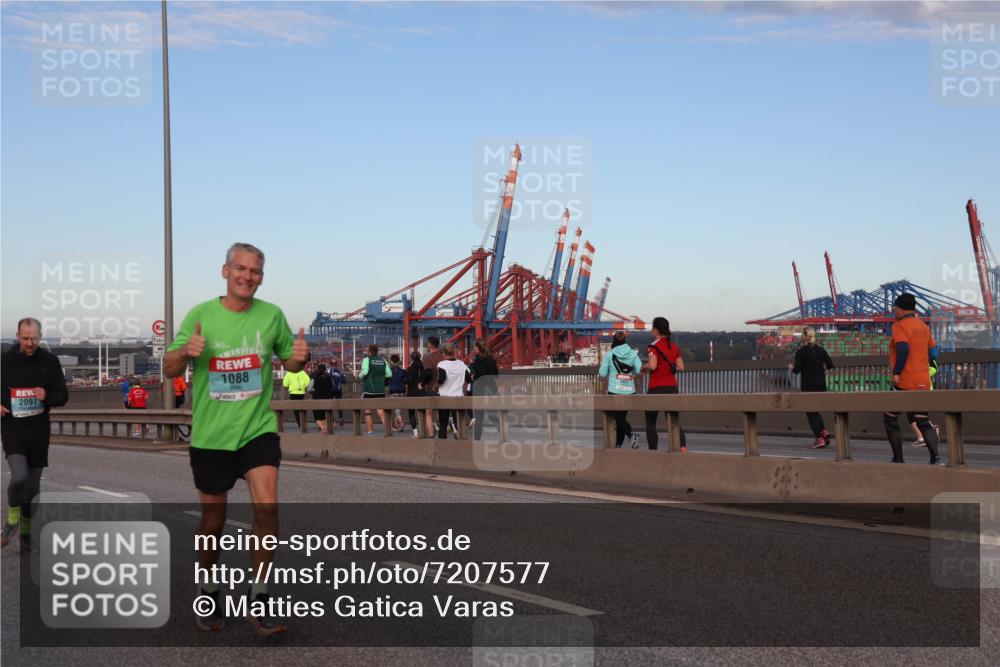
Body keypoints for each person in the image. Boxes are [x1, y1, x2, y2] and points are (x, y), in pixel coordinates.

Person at [163, 242, 308, 636]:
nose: (248, 276)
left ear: (262, 277)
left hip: (257, 429)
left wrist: (300, 357)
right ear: (225, 271)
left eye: (256, 271)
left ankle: (258, 596)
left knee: (268, 507)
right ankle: (209, 588)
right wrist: (185, 353)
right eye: (240, 269)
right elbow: (168, 365)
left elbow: (290, 362)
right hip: (211, 436)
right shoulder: (201, 315)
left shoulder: (271, 315)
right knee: (214, 521)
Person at [1, 318, 69, 550]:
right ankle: (11, 521)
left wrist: (46, 396)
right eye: (25, 337)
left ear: (40, 337)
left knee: (32, 487)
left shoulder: (50, 361)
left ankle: (26, 534)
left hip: (39, 431)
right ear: (18, 335)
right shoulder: (4, 360)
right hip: (13, 428)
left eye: (34, 338)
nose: (30, 343)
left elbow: (63, 395)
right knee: (18, 476)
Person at [884, 293, 942, 464]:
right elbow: (933, 353)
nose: (894, 312)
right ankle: (936, 458)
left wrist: (897, 372)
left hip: (904, 380)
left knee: (889, 417)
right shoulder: (923, 326)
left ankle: (898, 458)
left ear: (900, 309)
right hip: (923, 380)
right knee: (922, 419)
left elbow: (903, 348)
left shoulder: (899, 326)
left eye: (895, 309)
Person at [642, 317, 688, 452]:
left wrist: (643, 367)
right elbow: (681, 367)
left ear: (656, 330)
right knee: (673, 421)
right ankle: (682, 447)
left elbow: (653, 365)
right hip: (672, 387)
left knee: (650, 422)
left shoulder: (653, 346)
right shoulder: (674, 346)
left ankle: (653, 451)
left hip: (656, 388)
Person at [790, 327, 834, 449]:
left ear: (805, 337)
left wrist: (791, 367)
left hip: (808, 385)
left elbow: (797, 370)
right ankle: (823, 431)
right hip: (821, 385)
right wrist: (820, 368)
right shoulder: (821, 350)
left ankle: (819, 438)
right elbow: (830, 364)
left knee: (810, 412)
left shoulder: (801, 352)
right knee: (815, 410)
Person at [599, 332, 642, 448]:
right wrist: (631, 372)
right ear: (625, 341)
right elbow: (639, 370)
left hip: (614, 390)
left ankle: (631, 435)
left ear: (614, 341)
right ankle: (618, 445)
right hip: (630, 390)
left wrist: (611, 371)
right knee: (621, 418)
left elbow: (602, 373)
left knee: (619, 419)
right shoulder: (633, 354)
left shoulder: (609, 354)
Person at [436, 343, 471, 439]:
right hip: (458, 397)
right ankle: (461, 445)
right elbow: (468, 379)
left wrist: (436, 386)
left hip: (444, 397)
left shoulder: (442, 364)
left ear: (443, 353)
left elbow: (441, 379)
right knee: (459, 423)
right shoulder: (461, 364)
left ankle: (442, 446)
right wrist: (459, 384)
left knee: (443, 423)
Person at [469, 339, 499, 441]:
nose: (474, 349)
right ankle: (504, 434)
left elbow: (481, 374)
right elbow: (496, 375)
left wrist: (473, 372)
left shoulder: (478, 360)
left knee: (479, 418)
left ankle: (477, 441)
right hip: (492, 388)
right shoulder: (492, 359)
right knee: (492, 415)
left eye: (475, 347)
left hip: (480, 389)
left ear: (478, 348)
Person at [359, 344, 391, 436]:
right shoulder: (383, 360)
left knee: (368, 411)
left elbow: (365, 372)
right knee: (381, 411)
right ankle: (388, 431)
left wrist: (359, 376)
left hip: (369, 390)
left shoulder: (366, 360)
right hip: (380, 390)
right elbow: (389, 374)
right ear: (377, 351)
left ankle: (370, 432)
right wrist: (380, 377)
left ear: (369, 351)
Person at [911, 360, 941, 447]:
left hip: (922, 387)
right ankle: (930, 432)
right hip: (914, 385)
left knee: (915, 413)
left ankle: (923, 438)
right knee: (915, 413)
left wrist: (921, 373)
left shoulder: (926, 353)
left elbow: (934, 368)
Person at [421, 336, 444, 437]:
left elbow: (428, 373)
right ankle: (442, 433)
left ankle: (430, 434)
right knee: (442, 412)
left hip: (431, 387)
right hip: (444, 388)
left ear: (430, 344)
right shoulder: (443, 356)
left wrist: (422, 384)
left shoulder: (426, 357)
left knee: (428, 412)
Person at [310, 363, 335, 434]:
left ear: (318, 369)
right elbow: (333, 386)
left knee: (317, 417)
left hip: (317, 399)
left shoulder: (314, 378)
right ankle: (325, 428)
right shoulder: (329, 377)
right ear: (325, 370)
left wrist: (313, 391)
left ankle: (322, 428)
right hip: (327, 399)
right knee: (324, 416)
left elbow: (309, 389)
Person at [405, 351, 425, 438]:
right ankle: (423, 430)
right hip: (422, 391)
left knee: (411, 413)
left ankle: (416, 432)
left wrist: (404, 379)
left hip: (412, 392)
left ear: (412, 358)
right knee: (422, 411)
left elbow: (409, 381)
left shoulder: (410, 368)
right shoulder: (423, 367)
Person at [387, 354, 407, 432]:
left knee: (396, 408)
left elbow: (387, 381)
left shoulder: (389, 371)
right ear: (398, 361)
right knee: (398, 408)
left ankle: (401, 422)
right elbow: (405, 381)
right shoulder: (402, 371)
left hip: (393, 390)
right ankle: (397, 425)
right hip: (402, 390)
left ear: (391, 361)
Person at [329, 360, 345, 426]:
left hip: (330, 389)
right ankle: (341, 418)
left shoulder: (328, 370)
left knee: (329, 404)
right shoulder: (339, 371)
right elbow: (344, 381)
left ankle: (332, 420)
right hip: (338, 389)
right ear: (336, 364)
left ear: (330, 364)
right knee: (339, 404)